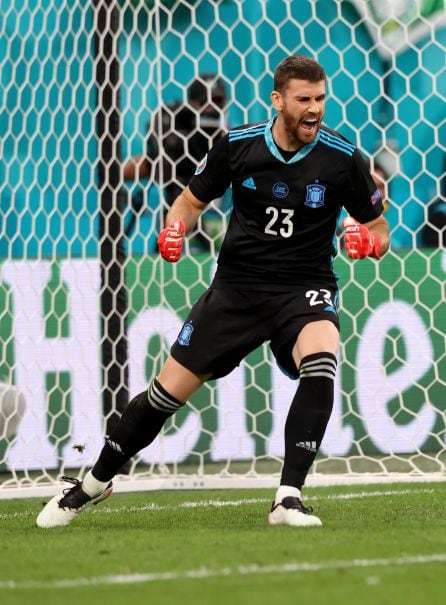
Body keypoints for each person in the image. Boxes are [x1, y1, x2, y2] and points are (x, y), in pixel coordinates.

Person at [37, 55, 390, 529]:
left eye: (321, 99)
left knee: (322, 359)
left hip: (304, 287)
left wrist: (369, 242)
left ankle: (287, 499)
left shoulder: (342, 157)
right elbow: (188, 201)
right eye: (304, 99)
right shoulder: (236, 145)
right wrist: (174, 230)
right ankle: (92, 485)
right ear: (278, 100)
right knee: (164, 395)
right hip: (237, 290)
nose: (314, 109)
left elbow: (379, 226)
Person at [123, 73, 229, 251]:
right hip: (179, 238)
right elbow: (130, 170)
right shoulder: (179, 140)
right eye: (204, 102)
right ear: (192, 104)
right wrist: (164, 150)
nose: (211, 108)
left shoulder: (235, 141)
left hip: (223, 236)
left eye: (217, 102)